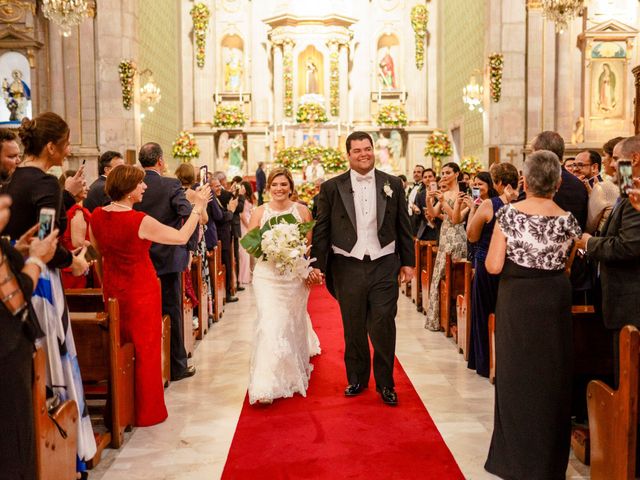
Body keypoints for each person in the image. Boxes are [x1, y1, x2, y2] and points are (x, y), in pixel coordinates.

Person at [5, 112, 96, 471]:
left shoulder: (11, 181)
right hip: (41, 280)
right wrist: (71, 263)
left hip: (14, 277)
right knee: (53, 358)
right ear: (51, 146)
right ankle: (63, 444)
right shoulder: (45, 184)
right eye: (66, 142)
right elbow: (45, 236)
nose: (69, 149)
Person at [484, 150, 581, 480]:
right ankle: (549, 464)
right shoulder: (568, 219)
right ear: (556, 182)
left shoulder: (510, 214)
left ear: (526, 180)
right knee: (551, 378)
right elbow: (567, 265)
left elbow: (494, 265)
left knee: (516, 378)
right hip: (553, 299)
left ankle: (516, 462)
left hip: (518, 300)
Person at [91, 165, 210, 426]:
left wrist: (107, 284)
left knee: (118, 346)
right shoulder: (138, 220)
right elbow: (180, 237)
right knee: (145, 349)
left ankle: (122, 407)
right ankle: (146, 411)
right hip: (140, 290)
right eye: (140, 184)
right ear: (128, 189)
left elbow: (99, 253)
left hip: (112, 289)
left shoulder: (96, 216)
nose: (144, 187)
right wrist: (198, 207)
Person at [310, 131, 414, 406]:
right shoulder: (332, 187)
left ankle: (386, 383)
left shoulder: (392, 183)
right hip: (347, 264)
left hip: (384, 262)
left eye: (367, 149)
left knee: (382, 322)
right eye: (357, 150)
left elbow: (404, 225)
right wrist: (318, 265)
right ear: (348, 155)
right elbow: (322, 229)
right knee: (353, 324)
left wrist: (409, 262)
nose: (364, 154)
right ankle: (356, 378)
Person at [246, 168, 320, 404]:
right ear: (268, 187)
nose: (279, 189)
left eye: (283, 184)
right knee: (270, 323)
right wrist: (271, 250)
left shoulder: (302, 211)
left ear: (291, 187)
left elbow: (308, 247)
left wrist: (301, 265)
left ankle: (290, 370)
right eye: (275, 184)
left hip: (293, 277)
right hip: (267, 276)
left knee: (290, 322)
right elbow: (249, 243)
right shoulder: (260, 212)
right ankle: (265, 384)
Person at [0, 195, 57, 480]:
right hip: (6, 354)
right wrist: (36, 259)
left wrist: (18, 250)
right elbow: (15, 296)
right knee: (13, 445)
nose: (7, 200)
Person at [576, 135, 640, 383]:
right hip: (619, 297)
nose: (610, 164)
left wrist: (590, 243)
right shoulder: (629, 188)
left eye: (615, 158)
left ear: (633, 158)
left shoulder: (635, 191)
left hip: (630, 300)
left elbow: (628, 246)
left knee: (629, 376)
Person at [134, 142, 197, 381]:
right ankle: (177, 366)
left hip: (141, 257)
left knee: (146, 312)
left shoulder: (133, 185)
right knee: (171, 309)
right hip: (169, 257)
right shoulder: (171, 184)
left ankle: (148, 365)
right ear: (160, 160)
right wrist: (188, 248)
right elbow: (185, 213)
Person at [464, 163, 519, 378]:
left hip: (488, 264)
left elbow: (472, 235)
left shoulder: (490, 204)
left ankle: (485, 362)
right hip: (512, 266)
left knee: (483, 311)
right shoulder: (522, 202)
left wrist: (474, 211)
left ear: (496, 183)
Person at [424, 162, 468, 331]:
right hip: (444, 236)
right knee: (438, 279)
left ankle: (452, 317)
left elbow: (456, 218)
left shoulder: (462, 194)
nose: (443, 175)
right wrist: (430, 200)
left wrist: (443, 201)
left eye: (448, 172)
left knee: (452, 276)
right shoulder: (445, 192)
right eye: (442, 172)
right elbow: (434, 214)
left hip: (456, 237)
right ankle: (438, 319)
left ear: (457, 174)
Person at [531, 131, 589, 230]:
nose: (531, 157)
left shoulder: (536, 182)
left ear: (540, 154)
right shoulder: (578, 185)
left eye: (532, 152)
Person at [58, 169, 92, 289]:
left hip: (64, 266)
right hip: (75, 268)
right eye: (83, 185)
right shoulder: (77, 212)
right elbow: (78, 244)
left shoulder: (61, 209)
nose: (87, 188)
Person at [211, 176, 238, 302]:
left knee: (227, 264)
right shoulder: (212, 200)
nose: (219, 188)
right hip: (221, 237)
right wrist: (231, 211)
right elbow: (220, 217)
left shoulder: (216, 198)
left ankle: (227, 291)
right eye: (216, 186)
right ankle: (226, 293)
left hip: (224, 236)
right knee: (225, 264)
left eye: (219, 186)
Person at [414, 168, 441, 241]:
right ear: (422, 180)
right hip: (424, 230)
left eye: (430, 176)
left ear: (434, 178)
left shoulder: (441, 193)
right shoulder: (419, 194)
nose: (427, 179)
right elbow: (417, 217)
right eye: (425, 177)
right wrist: (417, 211)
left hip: (439, 229)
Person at [238, 180, 254, 286]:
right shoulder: (242, 199)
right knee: (243, 252)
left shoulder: (247, 199)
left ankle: (246, 276)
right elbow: (242, 215)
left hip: (248, 223)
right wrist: (249, 227)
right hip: (244, 226)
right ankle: (243, 277)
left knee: (247, 252)